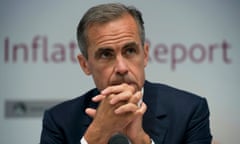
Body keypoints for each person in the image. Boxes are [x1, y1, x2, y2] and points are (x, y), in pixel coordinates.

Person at [40, 3, 212, 144]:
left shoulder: (189, 111)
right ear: (85, 65)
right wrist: (95, 135)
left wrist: (141, 140)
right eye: (106, 54)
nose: (121, 68)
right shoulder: (59, 121)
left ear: (144, 55)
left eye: (130, 50)